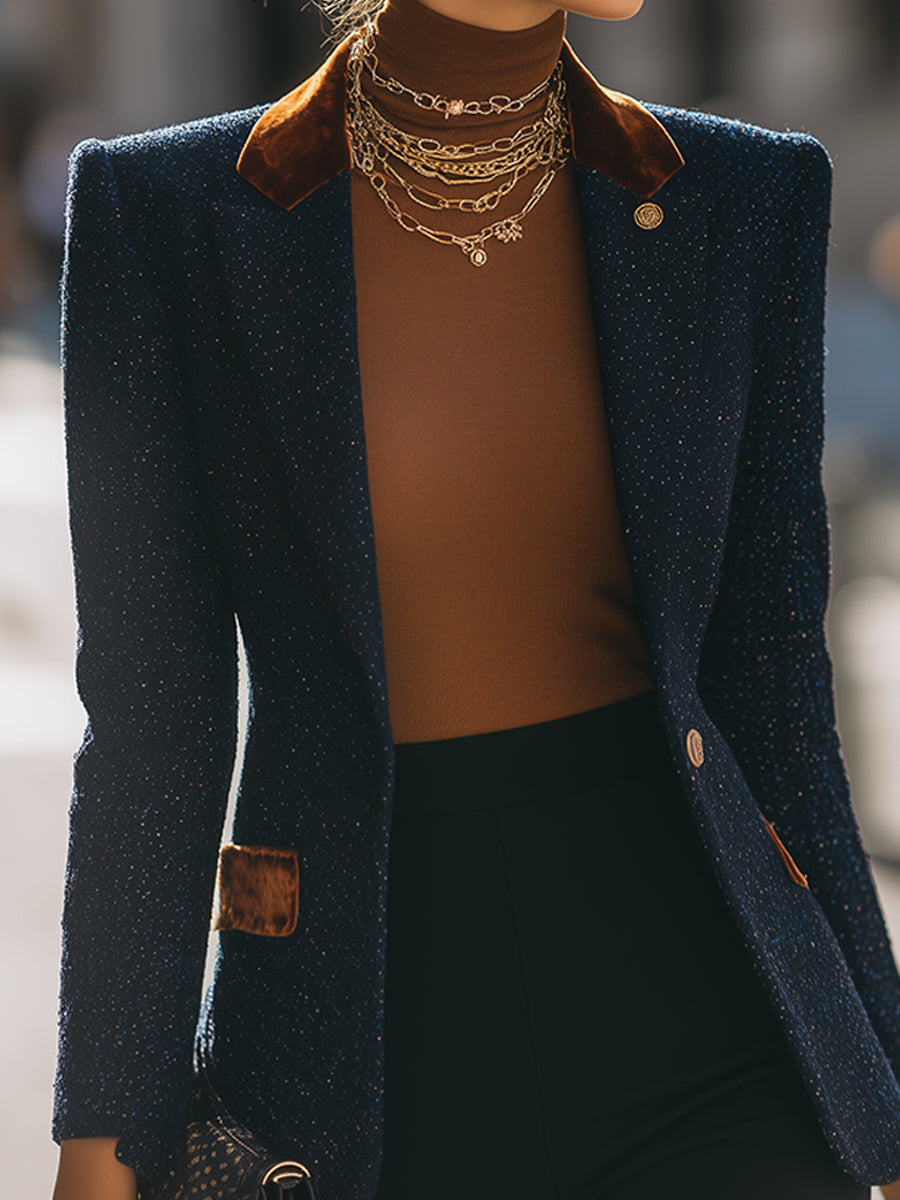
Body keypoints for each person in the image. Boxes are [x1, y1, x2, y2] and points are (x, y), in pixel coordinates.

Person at [50, 0, 900, 1197]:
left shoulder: (746, 195)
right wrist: (104, 1131)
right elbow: (152, 723)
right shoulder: (170, 213)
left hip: (719, 1032)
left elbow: (775, 688)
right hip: (358, 1055)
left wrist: (879, 1082)